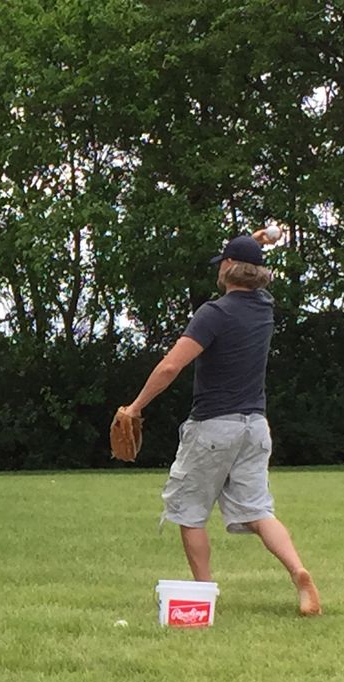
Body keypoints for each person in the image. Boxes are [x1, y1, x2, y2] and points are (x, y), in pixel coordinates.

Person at [121, 229, 321, 616]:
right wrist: (255, 241)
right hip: (255, 428)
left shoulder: (214, 313)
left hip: (213, 427)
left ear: (228, 267)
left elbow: (171, 366)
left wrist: (135, 406)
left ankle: (204, 593)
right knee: (259, 511)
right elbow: (251, 267)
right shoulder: (264, 307)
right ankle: (298, 571)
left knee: (190, 511)